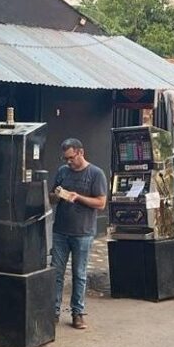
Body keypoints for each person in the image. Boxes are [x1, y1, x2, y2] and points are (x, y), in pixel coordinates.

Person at [49, 138, 107, 329]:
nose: (68, 162)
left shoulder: (96, 174)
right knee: (56, 272)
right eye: (65, 158)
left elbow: (101, 203)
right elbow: (51, 199)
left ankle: (77, 312)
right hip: (60, 230)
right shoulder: (62, 172)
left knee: (79, 274)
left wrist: (78, 197)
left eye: (71, 158)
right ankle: (53, 311)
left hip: (83, 231)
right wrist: (56, 195)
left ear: (80, 153)